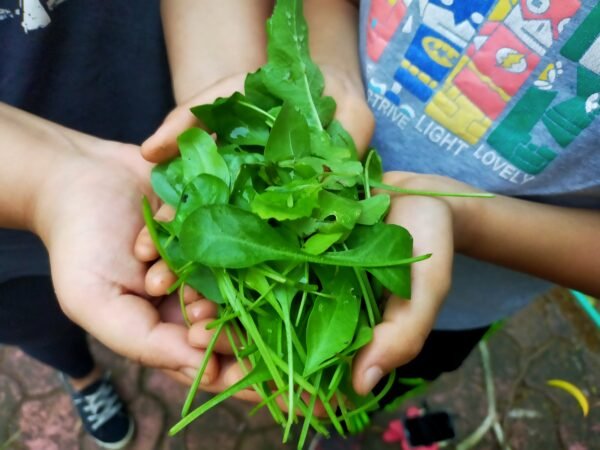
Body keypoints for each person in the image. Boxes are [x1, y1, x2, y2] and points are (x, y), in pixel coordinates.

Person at [138, 0, 600, 447]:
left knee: (371, 379)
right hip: (335, 177)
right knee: (324, 375)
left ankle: (343, 428)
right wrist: (332, 72)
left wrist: (467, 217)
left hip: (463, 295)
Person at [0, 0, 272, 447]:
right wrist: (46, 181)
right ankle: (81, 375)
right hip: (7, 225)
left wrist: (223, 104)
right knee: (35, 322)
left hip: (154, 125)